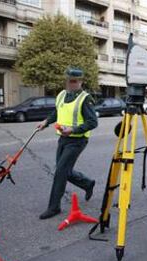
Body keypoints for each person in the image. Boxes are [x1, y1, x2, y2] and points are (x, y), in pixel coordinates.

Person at [37, 67, 98, 219]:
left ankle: (54, 207)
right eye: (69, 81)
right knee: (64, 171)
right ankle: (87, 183)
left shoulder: (85, 98)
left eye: (74, 81)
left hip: (77, 140)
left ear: (80, 81)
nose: (71, 84)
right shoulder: (62, 95)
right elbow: (57, 112)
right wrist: (46, 122)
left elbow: (93, 122)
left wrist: (73, 130)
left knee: (60, 172)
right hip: (63, 138)